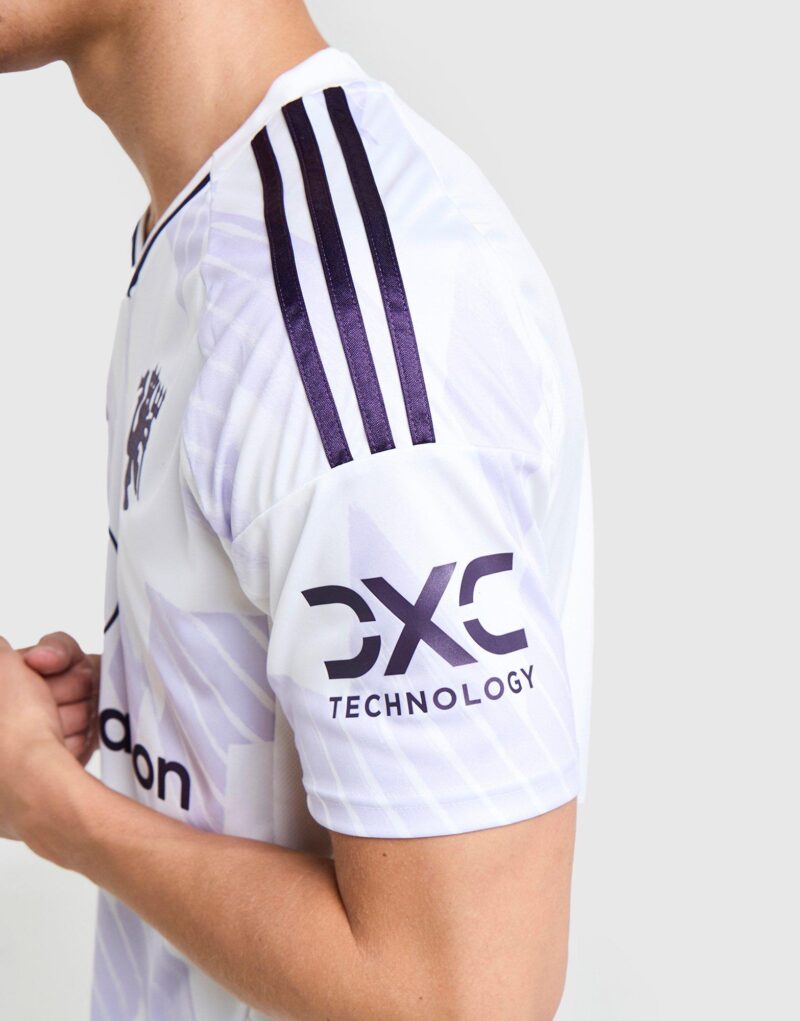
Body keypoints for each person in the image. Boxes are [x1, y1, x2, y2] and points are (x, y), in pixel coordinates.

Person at [0, 1, 593, 1018]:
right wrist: (164, 693)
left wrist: (58, 810)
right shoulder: (223, 229)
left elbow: (460, 995)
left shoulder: (335, 309)